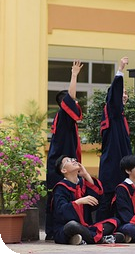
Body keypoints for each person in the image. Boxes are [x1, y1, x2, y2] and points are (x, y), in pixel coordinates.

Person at [45, 60, 84, 240]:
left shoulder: (66, 120)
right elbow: (70, 99)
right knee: (58, 199)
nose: (76, 103)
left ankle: (55, 231)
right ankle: (56, 231)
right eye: (73, 101)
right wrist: (74, 75)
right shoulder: (63, 114)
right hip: (59, 164)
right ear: (65, 104)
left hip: (60, 162)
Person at [50, 155, 126, 245]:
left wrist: (86, 175)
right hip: (65, 228)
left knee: (115, 221)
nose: (74, 160)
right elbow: (61, 211)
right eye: (68, 160)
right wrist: (79, 202)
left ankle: (83, 238)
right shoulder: (60, 188)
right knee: (72, 225)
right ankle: (103, 239)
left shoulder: (83, 184)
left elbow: (98, 201)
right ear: (63, 170)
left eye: (73, 159)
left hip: (86, 227)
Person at [96, 57, 133, 222]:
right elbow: (114, 97)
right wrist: (120, 70)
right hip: (112, 163)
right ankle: (100, 228)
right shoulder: (112, 111)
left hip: (120, 162)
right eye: (121, 93)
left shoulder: (120, 115)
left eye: (125, 93)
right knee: (107, 199)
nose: (124, 96)